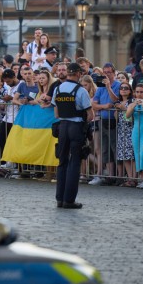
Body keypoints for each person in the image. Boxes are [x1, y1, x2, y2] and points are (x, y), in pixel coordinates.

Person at [52, 62, 92, 209]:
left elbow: (56, 113)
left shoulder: (57, 89)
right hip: (75, 127)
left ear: (68, 73)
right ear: (78, 74)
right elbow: (90, 115)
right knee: (74, 162)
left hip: (62, 127)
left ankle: (59, 199)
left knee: (62, 162)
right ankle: (69, 200)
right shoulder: (81, 91)